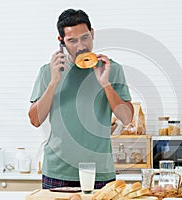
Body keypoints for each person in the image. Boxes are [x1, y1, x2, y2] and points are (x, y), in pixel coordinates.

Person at [28, 8, 134, 189]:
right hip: (57, 172)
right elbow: (35, 120)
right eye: (72, 40)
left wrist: (105, 84)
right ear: (61, 41)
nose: (81, 46)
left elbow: (126, 119)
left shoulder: (111, 69)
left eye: (85, 37)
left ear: (92, 34)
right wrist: (54, 82)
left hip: (100, 172)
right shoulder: (48, 71)